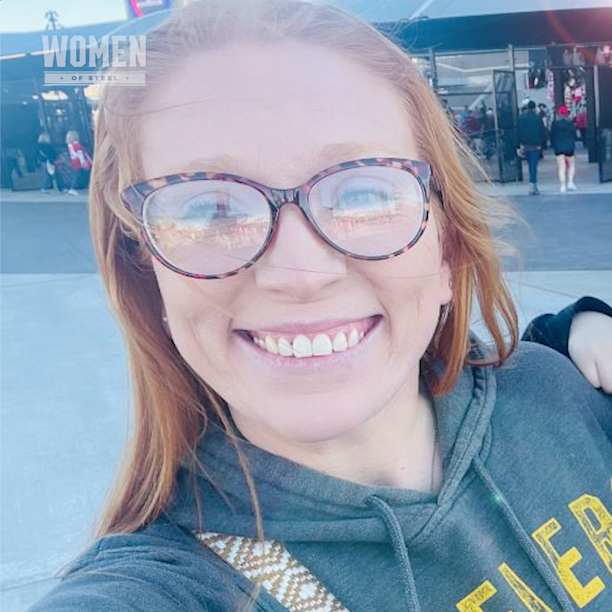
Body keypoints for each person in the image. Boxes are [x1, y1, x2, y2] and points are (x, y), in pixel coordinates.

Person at [29, 2, 611, 611]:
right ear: (149, 278)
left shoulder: (561, 390)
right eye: (210, 209)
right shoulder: (165, 589)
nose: (299, 275)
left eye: (362, 193)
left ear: (446, 249)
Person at [517, 100, 547, 195]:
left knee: (530, 164)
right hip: (535, 146)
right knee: (533, 166)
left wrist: (518, 145)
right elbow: (542, 132)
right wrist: (542, 144)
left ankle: (532, 185)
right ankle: (533, 185)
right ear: (534, 108)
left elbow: (518, 131)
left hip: (525, 145)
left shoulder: (521, 118)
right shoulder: (538, 118)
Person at [550, 105, 577, 193]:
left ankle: (562, 186)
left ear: (559, 114)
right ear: (566, 114)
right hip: (569, 147)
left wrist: (554, 145)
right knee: (571, 165)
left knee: (561, 167)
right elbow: (574, 135)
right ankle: (570, 182)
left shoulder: (554, 124)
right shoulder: (570, 124)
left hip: (558, 148)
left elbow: (552, 136)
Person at [65, 130, 92, 195]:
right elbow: (80, 155)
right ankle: (72, 188)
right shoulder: (77, 145)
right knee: (78, 175)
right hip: (79, 162)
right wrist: (83, 163)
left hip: (74, 161)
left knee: (76, 175)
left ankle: (72, 188)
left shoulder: (70, 145)